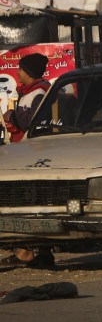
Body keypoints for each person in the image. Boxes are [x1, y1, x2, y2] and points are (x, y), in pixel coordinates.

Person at [1, 52, 55, 268]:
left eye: (21, 69)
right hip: (24, 152)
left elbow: (30, 123)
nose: (17, 73)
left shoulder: (39, 93)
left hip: (34, 156)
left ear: (29, 73)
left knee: (34, 201)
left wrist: (12, 116)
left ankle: (34, 252)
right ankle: (29, 251)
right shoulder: (28, 92)